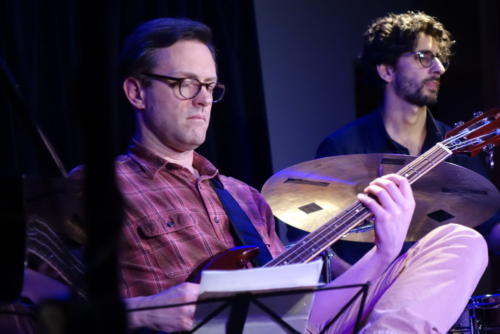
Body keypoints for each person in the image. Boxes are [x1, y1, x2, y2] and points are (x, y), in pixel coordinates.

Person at [43, 17, 487, 333]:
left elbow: (299, 308)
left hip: (283, 326)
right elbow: (33, 309)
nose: (201, 100)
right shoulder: (94, 187)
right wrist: (142, 311)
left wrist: (386, 250)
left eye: (210, 87)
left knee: (461, 241)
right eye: (185, 84)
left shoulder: (244, 195)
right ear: (137, 91)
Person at [316, 11, 500, 260]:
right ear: (387, 71)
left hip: (445, 293)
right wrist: (361, 289)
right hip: (369, 294)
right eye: (424, 57)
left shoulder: (458, 145)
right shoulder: (343, 148)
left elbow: (490, 226)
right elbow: (317, 246)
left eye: (439, 58)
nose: (439, 68)